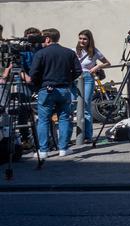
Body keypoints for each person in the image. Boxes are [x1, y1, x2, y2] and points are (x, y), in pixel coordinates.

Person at [26, 28, 81, 158]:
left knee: (44, 120)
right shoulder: (69, 53)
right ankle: (64, 148)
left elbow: (33, 74)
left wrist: (38, 85)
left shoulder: (40, 54)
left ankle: (43, 151)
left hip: (46, 90)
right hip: (64, 89)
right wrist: (68, 80)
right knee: (64, 118)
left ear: (47, 39)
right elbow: (78, 71)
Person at [75, 29, 111, 144]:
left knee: (86, 105)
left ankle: (88, 136)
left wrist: (96, 67)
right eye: (80, 38)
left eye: (84, 39)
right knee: (73, 105)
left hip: (87, 78)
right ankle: (76, 135)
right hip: (75, 78)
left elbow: (107, 63)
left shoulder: (94, 52)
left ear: (89, 40)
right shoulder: (74, 50)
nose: (82, 41)